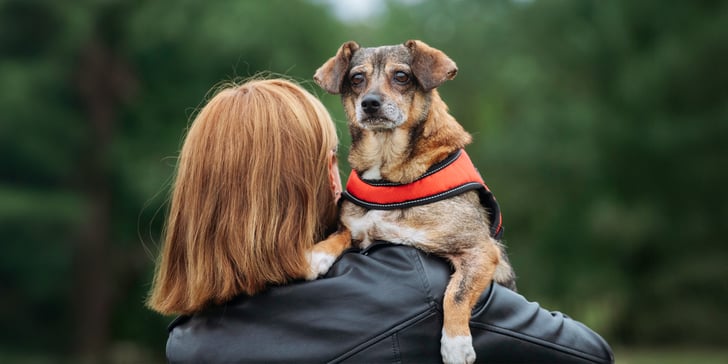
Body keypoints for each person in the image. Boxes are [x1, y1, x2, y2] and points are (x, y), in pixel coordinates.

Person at [147, 78, 614, 363]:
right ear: (322, 178)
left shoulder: (187, 343)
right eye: (334, 159)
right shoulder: (416, 286)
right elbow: (589, 353)